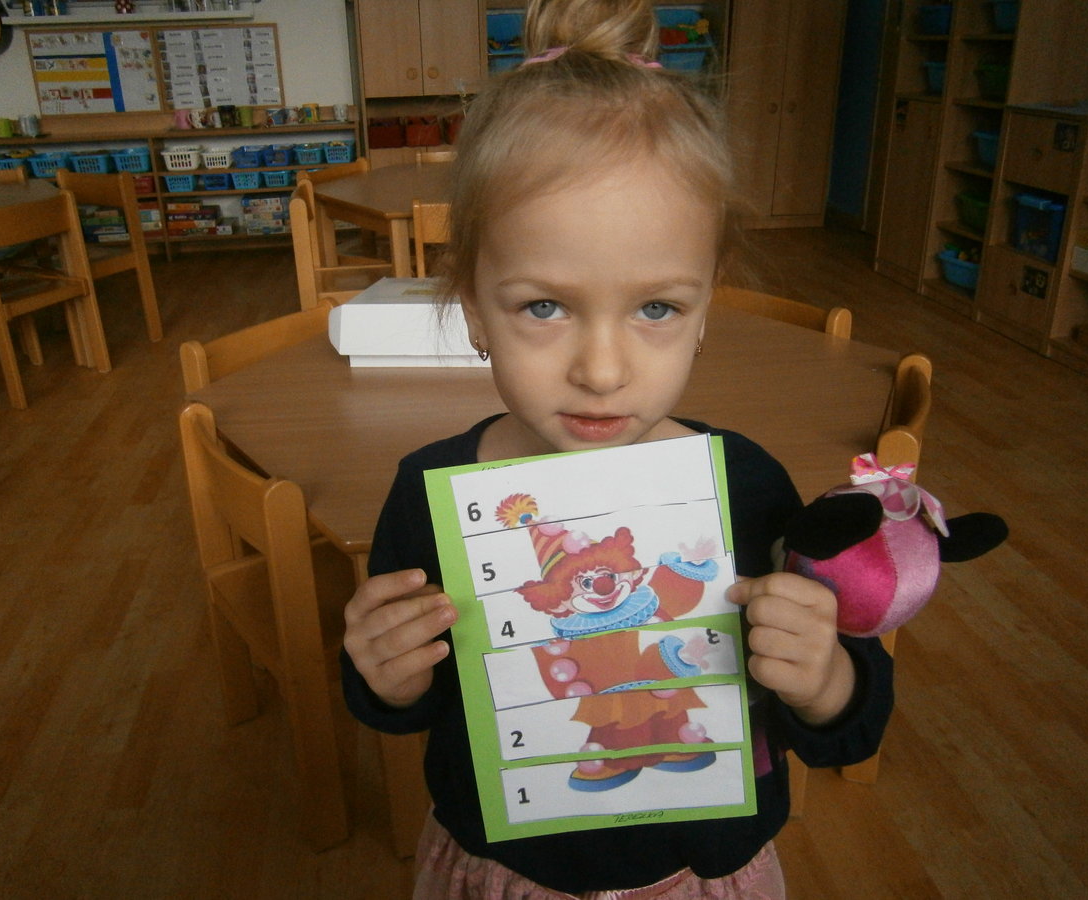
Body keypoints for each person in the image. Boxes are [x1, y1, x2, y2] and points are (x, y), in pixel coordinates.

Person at [341, 1, 893, 896]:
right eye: (544, 306)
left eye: (656, 307)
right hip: (501, 871)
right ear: (473, 308)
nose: (602, 371)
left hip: (698, 874)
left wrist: (825, 678)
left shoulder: (747, 487)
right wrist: (385, 677)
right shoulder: (428, 491)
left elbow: (843, 722)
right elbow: (417, 703)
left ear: (706, 305)